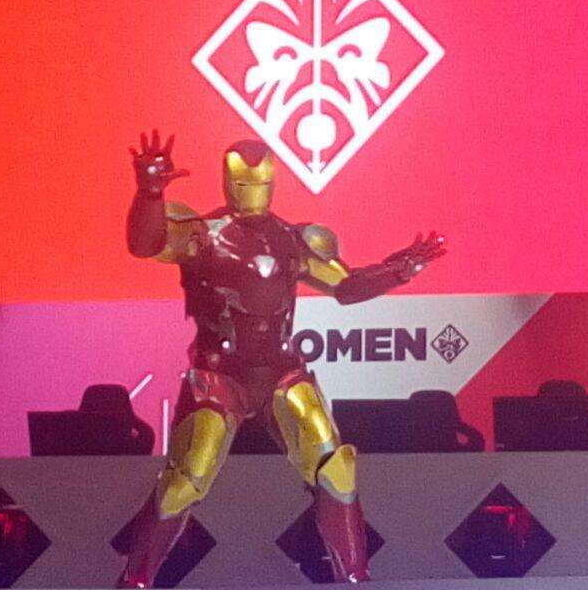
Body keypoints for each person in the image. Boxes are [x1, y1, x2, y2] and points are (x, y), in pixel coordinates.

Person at [117, 131, 444, 586]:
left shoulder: (292, 239)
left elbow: (345, 286)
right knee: (183, 482)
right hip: (218, 374)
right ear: (228, 182)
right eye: (244, 183)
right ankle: (135, 579)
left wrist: (398, 271)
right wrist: (150, 194)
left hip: (280, 372)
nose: (252, 192)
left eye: (260, 183)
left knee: (336, 469)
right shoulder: (202, 236)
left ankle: (355, 578)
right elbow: (147, 243)